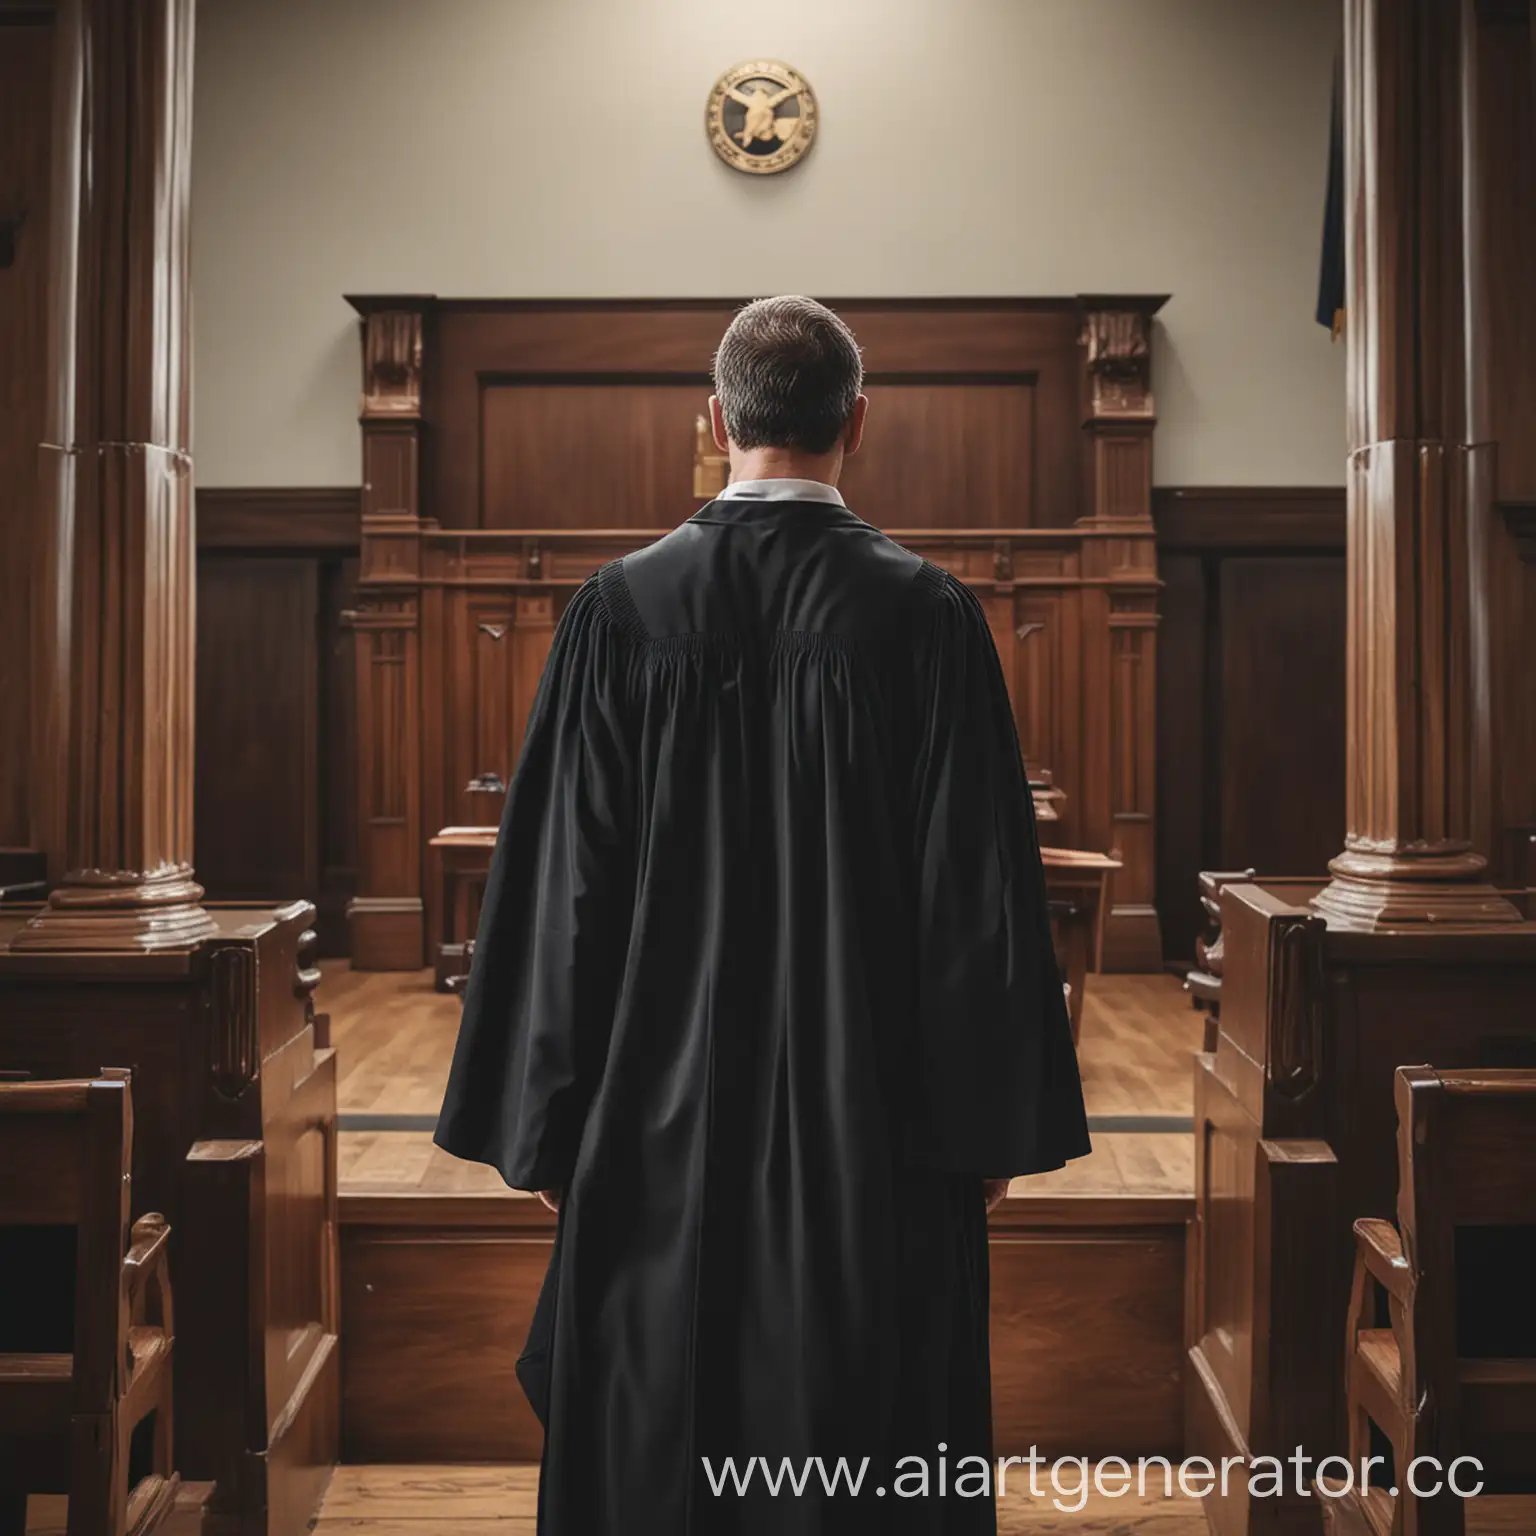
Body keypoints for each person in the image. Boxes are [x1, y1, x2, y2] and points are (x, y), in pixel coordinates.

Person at [435, 295, 1090, 1535]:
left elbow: (561, 886)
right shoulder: (930, 618)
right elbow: (979, 902)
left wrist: (548, 1116)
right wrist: (985, 1128)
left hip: (648, 1117)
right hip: (876, 1128)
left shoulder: (616, 613)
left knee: (654, 1440)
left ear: (716, 421)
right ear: (860, 421)